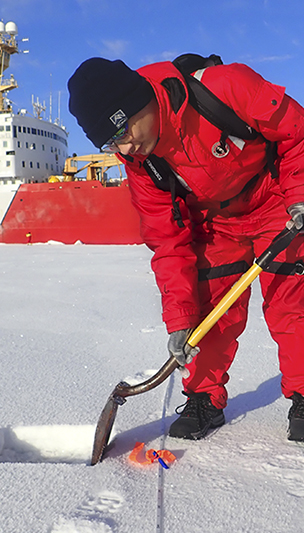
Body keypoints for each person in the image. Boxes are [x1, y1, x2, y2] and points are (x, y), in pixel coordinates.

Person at [67, 56, 304, 441]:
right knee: (208, 312)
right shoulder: (142, 164)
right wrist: (179, 318)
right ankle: (203, 399)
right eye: (112, 143)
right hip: (216, 224)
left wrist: (299, 194)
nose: (124, 149)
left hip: (275, 201)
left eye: (122, 131)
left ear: (138, 101)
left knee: (292, 302)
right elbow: (168, 240)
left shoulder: (224, 88)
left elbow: (298, 132)